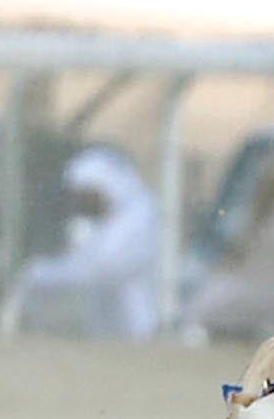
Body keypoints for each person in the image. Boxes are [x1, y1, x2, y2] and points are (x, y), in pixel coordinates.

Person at [9, 143, 163, 339]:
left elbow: (101, 268)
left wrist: (42, 274)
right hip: (102, 333)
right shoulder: (101, 222)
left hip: (134, 331)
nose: (83, 204)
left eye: (88, 196)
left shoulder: (137, 218)